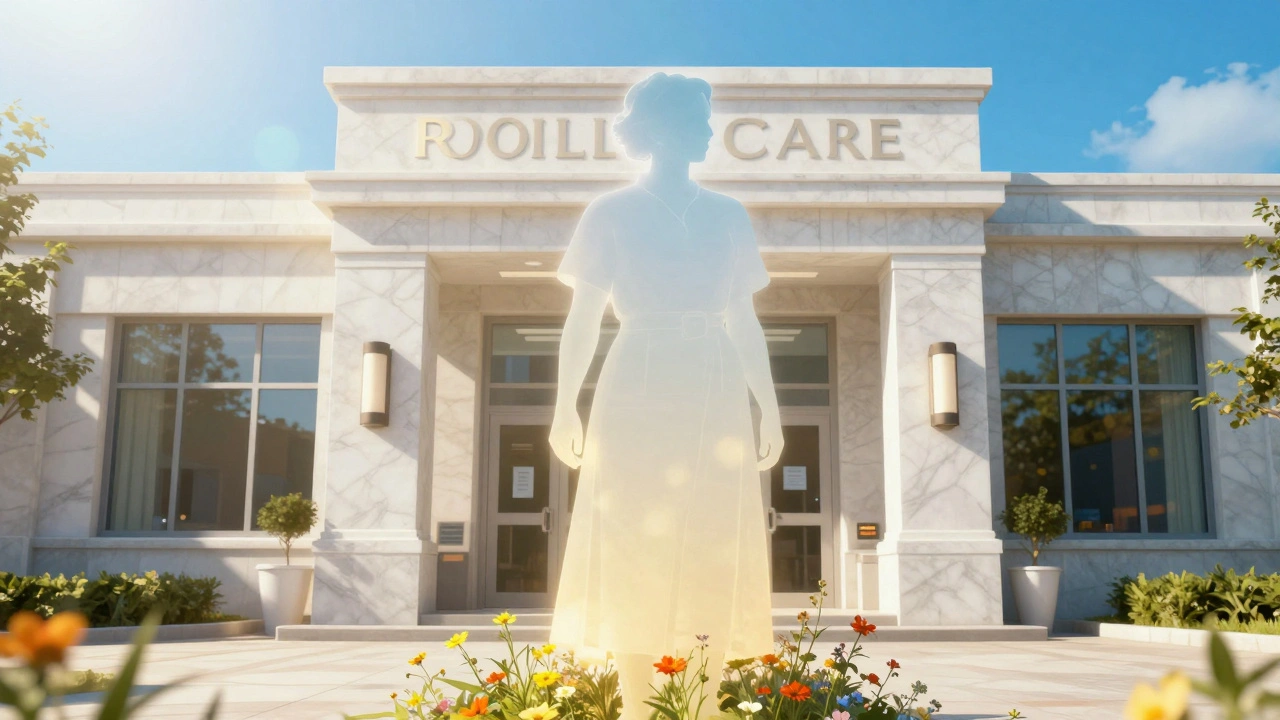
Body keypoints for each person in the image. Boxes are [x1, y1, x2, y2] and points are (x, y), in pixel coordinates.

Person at [548, 71, 783, 720]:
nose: (710, 130)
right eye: (699, 119)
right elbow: (583, 317)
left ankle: (704, 710)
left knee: (710, 542)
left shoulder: (727, 216)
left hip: (713, 382)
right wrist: (566, 403)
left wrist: (769, 403)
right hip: (637, 378)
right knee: (633, 548)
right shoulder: (611, 213)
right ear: (664, 127)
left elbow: (744, 317)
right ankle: (637, 709)